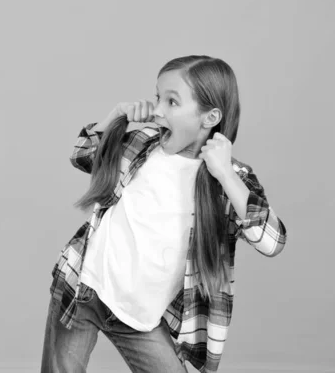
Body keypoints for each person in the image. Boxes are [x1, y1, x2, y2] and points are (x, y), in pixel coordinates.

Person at [42, 55, 287, 373]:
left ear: (209, 117)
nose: (157, 110)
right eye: (158, 97)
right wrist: (115, 117)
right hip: (83, 287)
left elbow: (272, 242)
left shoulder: (229, 178)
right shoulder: (141, 145)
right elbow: (83, 154)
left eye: (172, 102)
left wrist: (226, 175)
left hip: (141, 318)